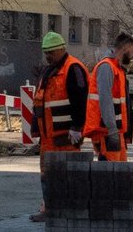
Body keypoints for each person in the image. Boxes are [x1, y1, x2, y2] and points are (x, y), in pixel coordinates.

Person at [30, 31, 90, 222]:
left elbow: (81, 100)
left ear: (61, 49)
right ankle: (50, 209)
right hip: (48, 138)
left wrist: (77, 127)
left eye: (51, 52)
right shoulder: (49, 71)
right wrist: (37, 130)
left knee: (67, 174)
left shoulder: (73, 69)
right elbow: (40, 102)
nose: (48, 56)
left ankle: (69, 210)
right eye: (45, 52)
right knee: (47, 175)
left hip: (65, 136)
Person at [84, 32, 133, 161]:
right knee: (110, 173)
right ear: (125, 47)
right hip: (107, 132)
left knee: (119, 173)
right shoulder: (107, 67)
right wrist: (112, 130)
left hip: (113, 131)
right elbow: (105, 100)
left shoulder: (115, 68)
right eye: (132, 51)